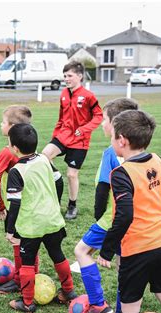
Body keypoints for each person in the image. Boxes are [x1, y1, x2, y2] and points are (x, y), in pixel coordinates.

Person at [98, 110, 161, 313]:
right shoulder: (158, 160)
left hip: (139, 248)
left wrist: (107, 248)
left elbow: (125, 215)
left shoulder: (121, 173)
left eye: (112, 136)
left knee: (131, 305)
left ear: (122, 140)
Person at [73, 98, 139, 313]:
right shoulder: (139, 150)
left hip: (112, 219)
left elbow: (102, 190)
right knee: (124, 267)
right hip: (136, 221)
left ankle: (98, 304)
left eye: (104, 119)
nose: (101, 124)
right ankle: (121, 310)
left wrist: (99, 218)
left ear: (117, 123)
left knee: (82, 251)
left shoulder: (111, 152)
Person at [0, 105, 63, 294]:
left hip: (18, 208)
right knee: (31, 246)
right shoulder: (36, 152)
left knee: (19, 244)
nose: (0, 124)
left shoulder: (8, 152)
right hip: (40, 209)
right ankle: (31, 275)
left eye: (3, 122)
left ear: (12, 126)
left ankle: (19, 281)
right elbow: (57, 178)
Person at [6, 124, 76, 313]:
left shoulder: (16, 171)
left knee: (27, 262)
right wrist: (56, 203)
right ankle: (69, 292)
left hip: (31, 225)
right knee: (57, 254)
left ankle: (27, 302)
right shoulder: (45, 159)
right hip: (52, 220)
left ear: (14, 148)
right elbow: (59, 181)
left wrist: (10, 229)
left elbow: (15, 204)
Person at [42, 61, 103, 220]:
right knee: (44, 156)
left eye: (70, 76)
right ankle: (56, 179)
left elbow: (99, 116)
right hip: (63, 135)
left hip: (79, 140)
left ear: (80, 76)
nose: (66, 79)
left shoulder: (89, 96)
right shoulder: (63, 93)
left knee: (71, 174)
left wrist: (84, 129)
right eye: (64, 76)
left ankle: (72, 205)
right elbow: (61, 117)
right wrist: (55, 135)